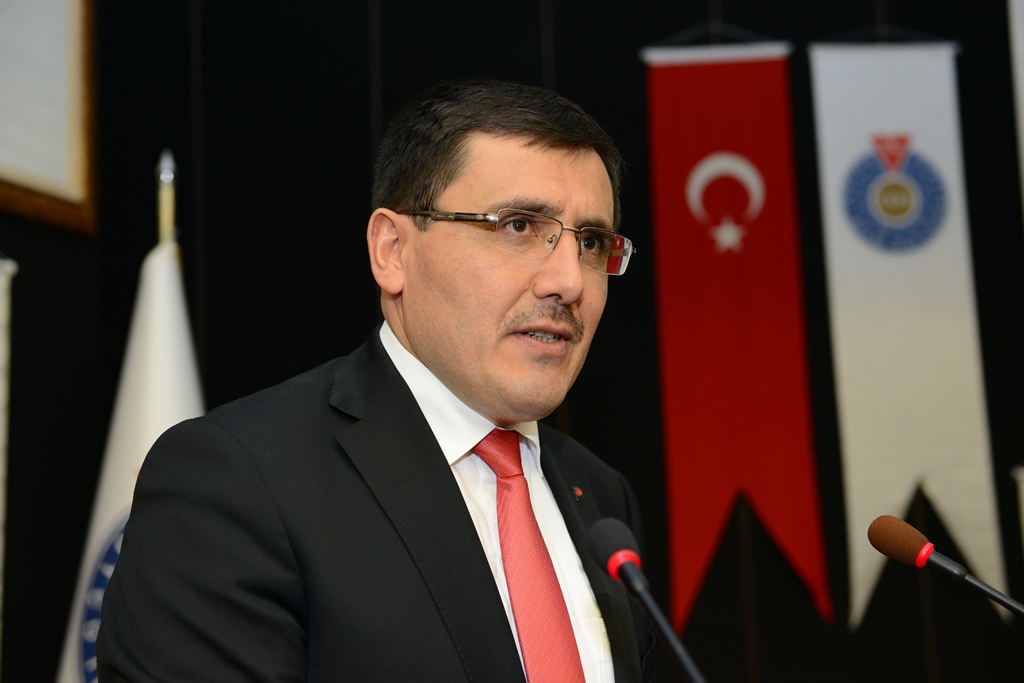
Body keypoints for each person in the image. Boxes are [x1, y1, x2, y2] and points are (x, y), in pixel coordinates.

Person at [98, 79, 653, 682]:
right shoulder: (237, 481)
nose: (568, 281)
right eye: (518, 226)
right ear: (392, 251)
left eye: (591, 242)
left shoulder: (602, 498)